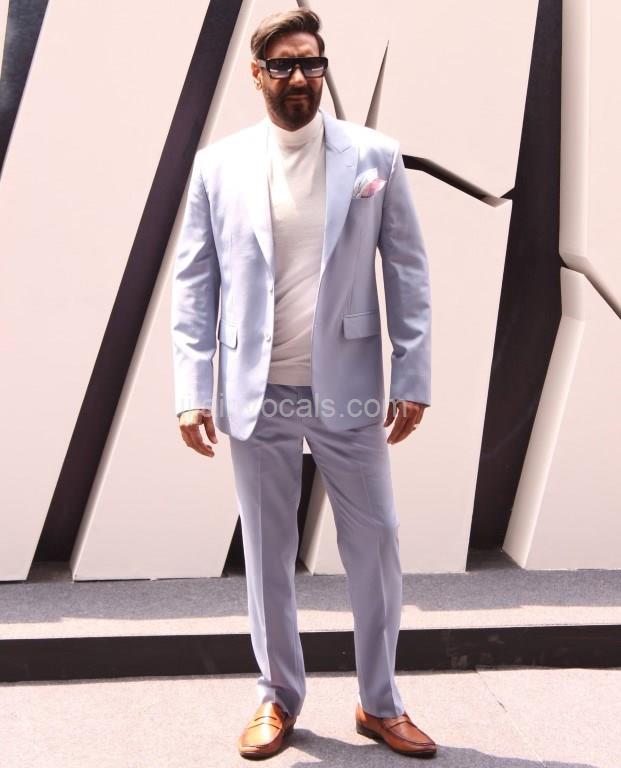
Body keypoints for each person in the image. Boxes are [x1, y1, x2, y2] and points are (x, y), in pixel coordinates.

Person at [171, 7, 436, 760]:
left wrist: (412, 372)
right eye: (284, 64)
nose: (300, 77)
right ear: (257, 74)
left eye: (311, 64)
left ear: (324, 70)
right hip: (257, 389)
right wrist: (192, 389)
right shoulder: (218, 165)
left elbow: (407, 271)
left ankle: (380, 702)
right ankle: (277, 697)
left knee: (376, 543)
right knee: (268, 549)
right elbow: (193, 285)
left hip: (347, 385)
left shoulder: (374, 157)